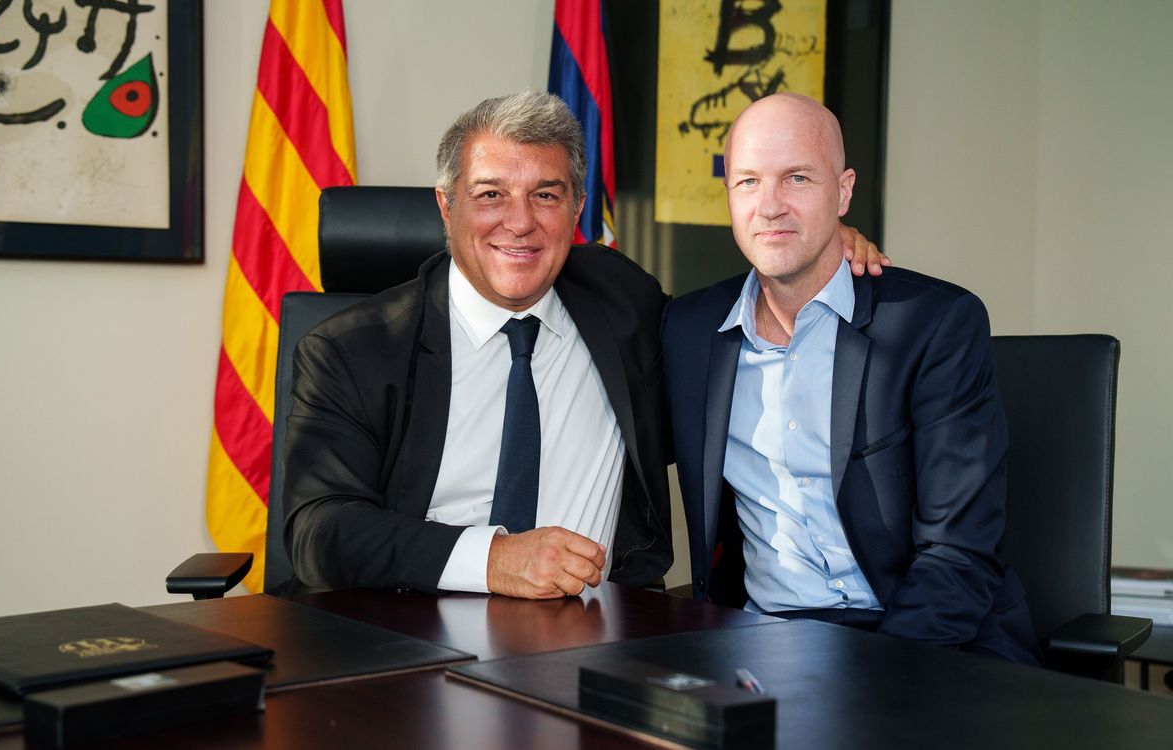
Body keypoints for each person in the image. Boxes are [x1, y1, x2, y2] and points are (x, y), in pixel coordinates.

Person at [283, 91, 885, 600]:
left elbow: (734, 345)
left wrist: (819, 245)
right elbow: (319, 529)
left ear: (576, 207)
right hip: (415, 633)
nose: (520, 222)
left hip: (597, 635)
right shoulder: (352, 350)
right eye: (491, 194)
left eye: (546, 195)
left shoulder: (621, 301)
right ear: (447, 206)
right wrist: (492, 559)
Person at [662, 93, 1036, 662]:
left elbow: (957, 554)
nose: (770, 206)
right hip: (768, 645)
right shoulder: (688, 331)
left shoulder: (934, 324)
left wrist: (877, 686)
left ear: (843, 192)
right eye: (749, 182)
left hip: (932, 645)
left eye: (797, 179)